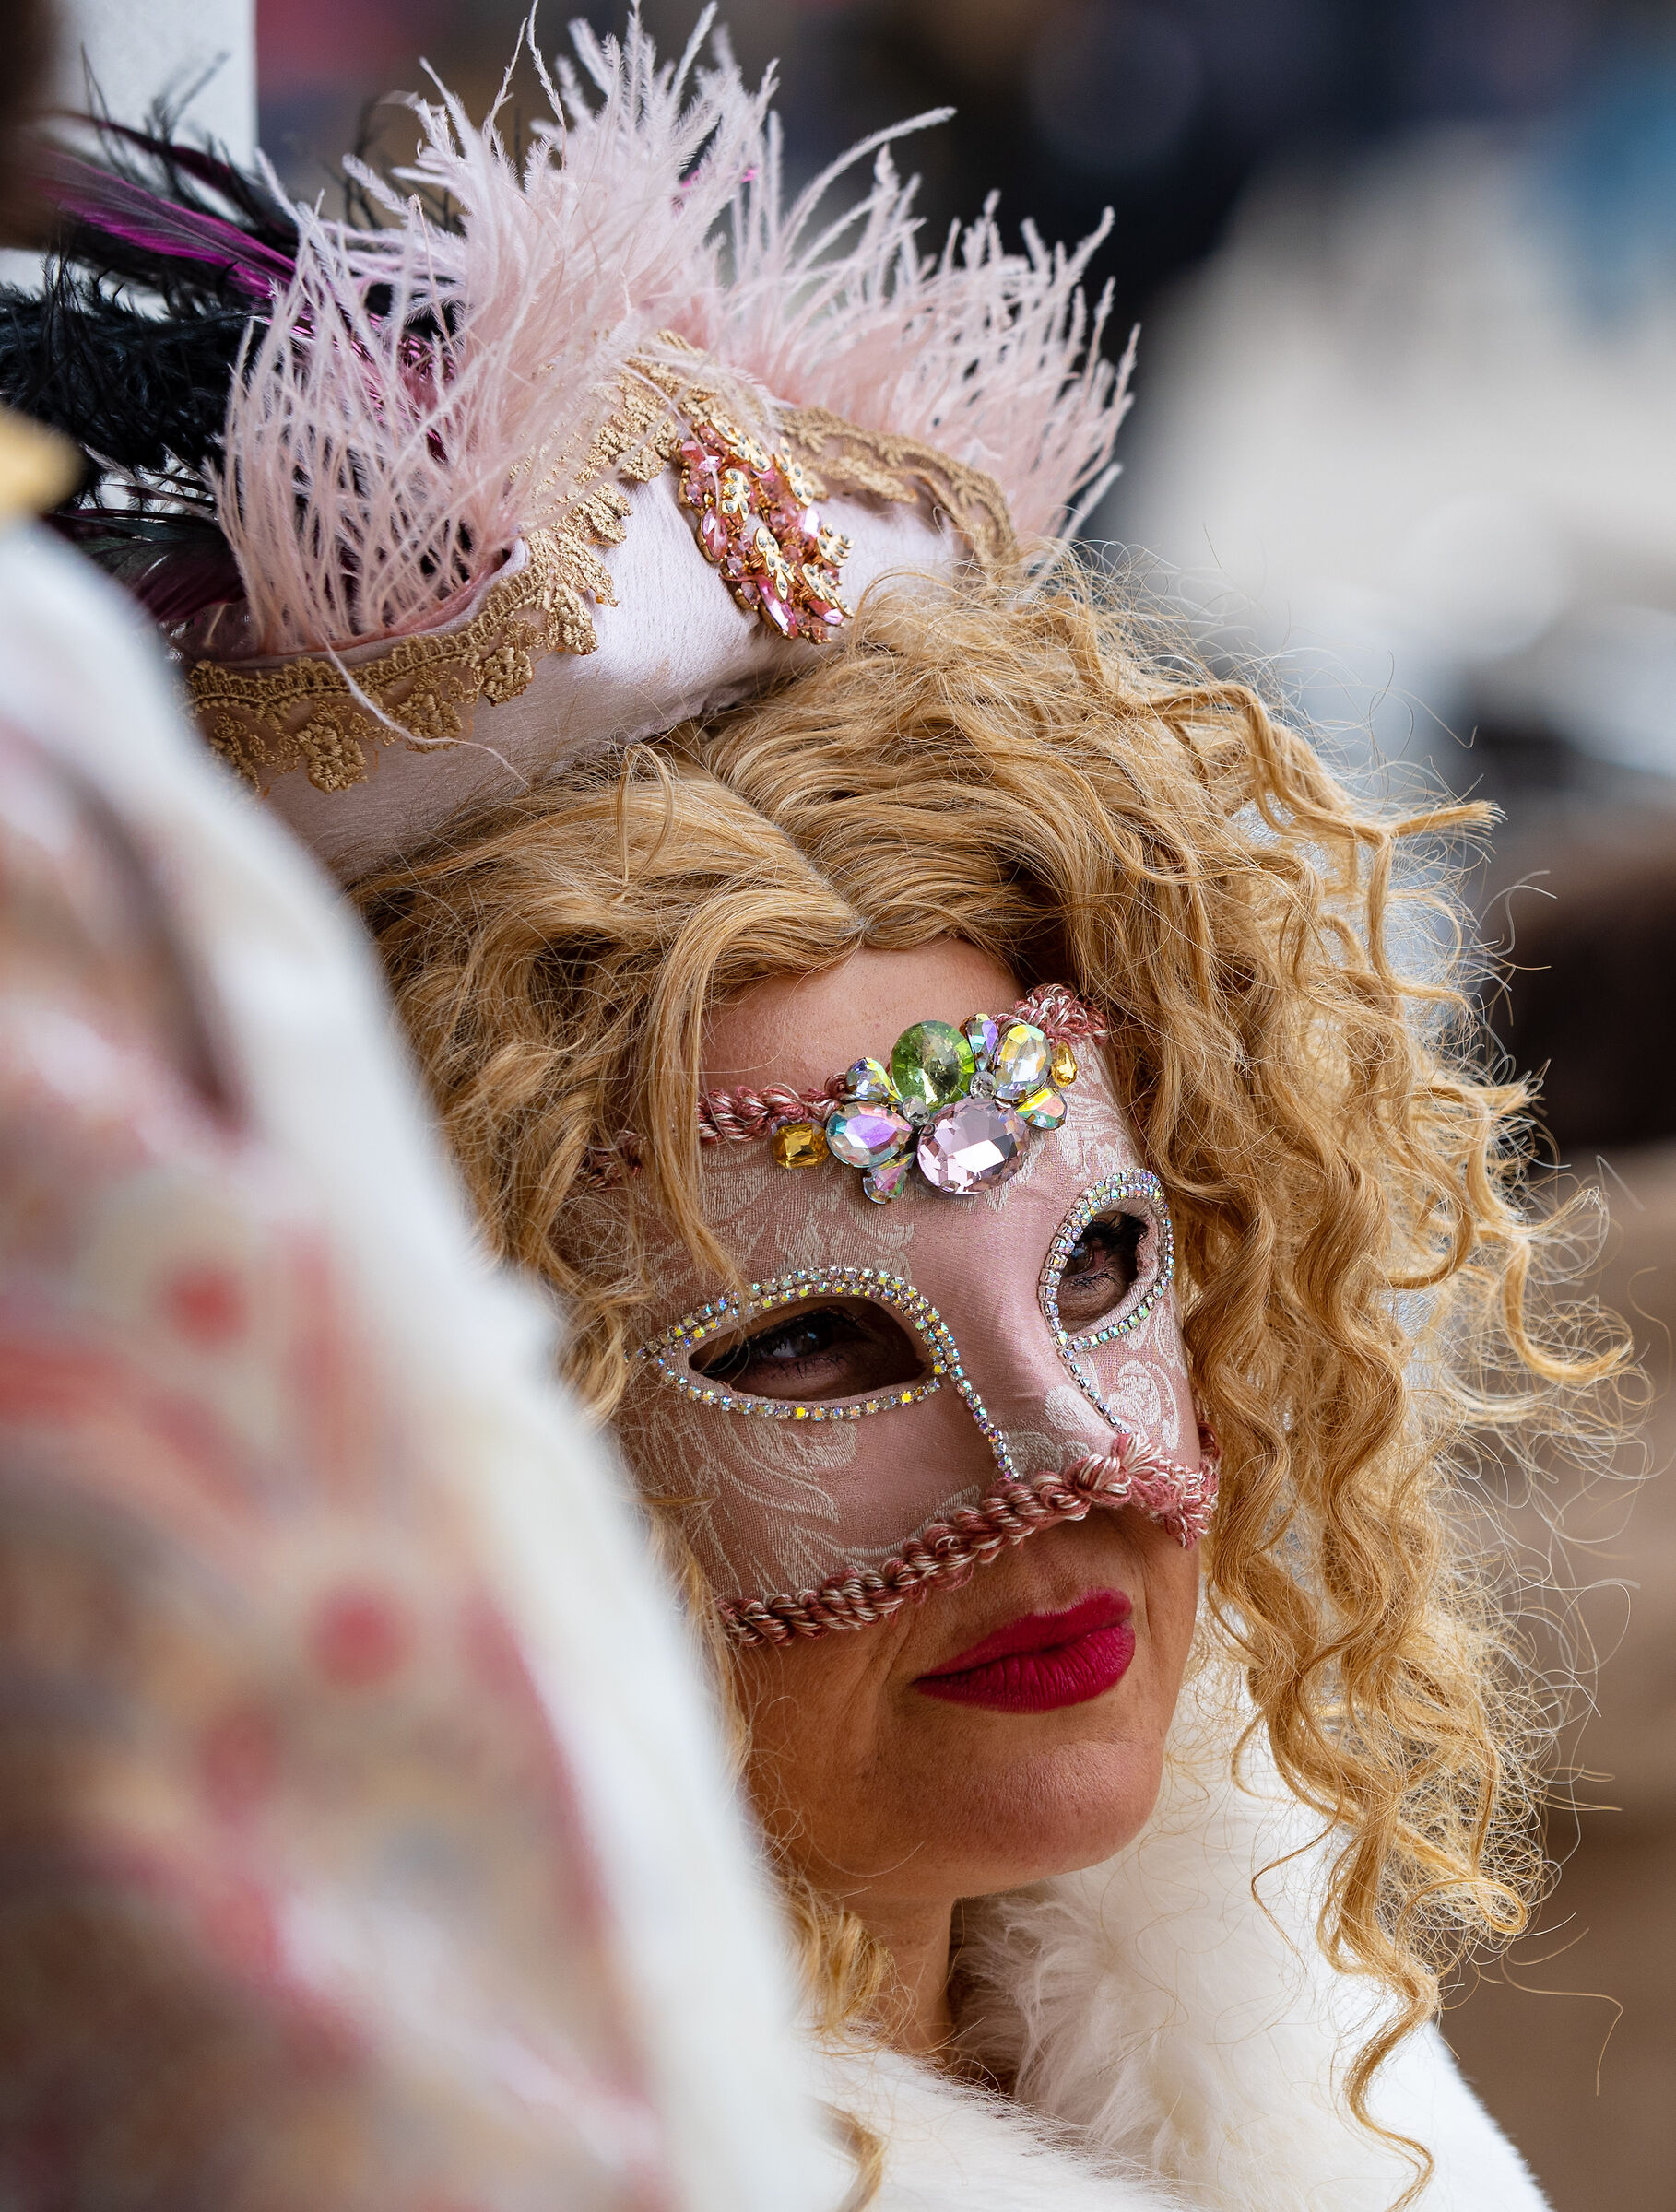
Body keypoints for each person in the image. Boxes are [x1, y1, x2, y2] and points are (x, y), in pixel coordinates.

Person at [3, 16, 1627, 2206]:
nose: (1079, 1461)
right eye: (807, 1343)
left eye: (1105, 1259)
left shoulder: (1316, 2041)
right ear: (502, 1439)